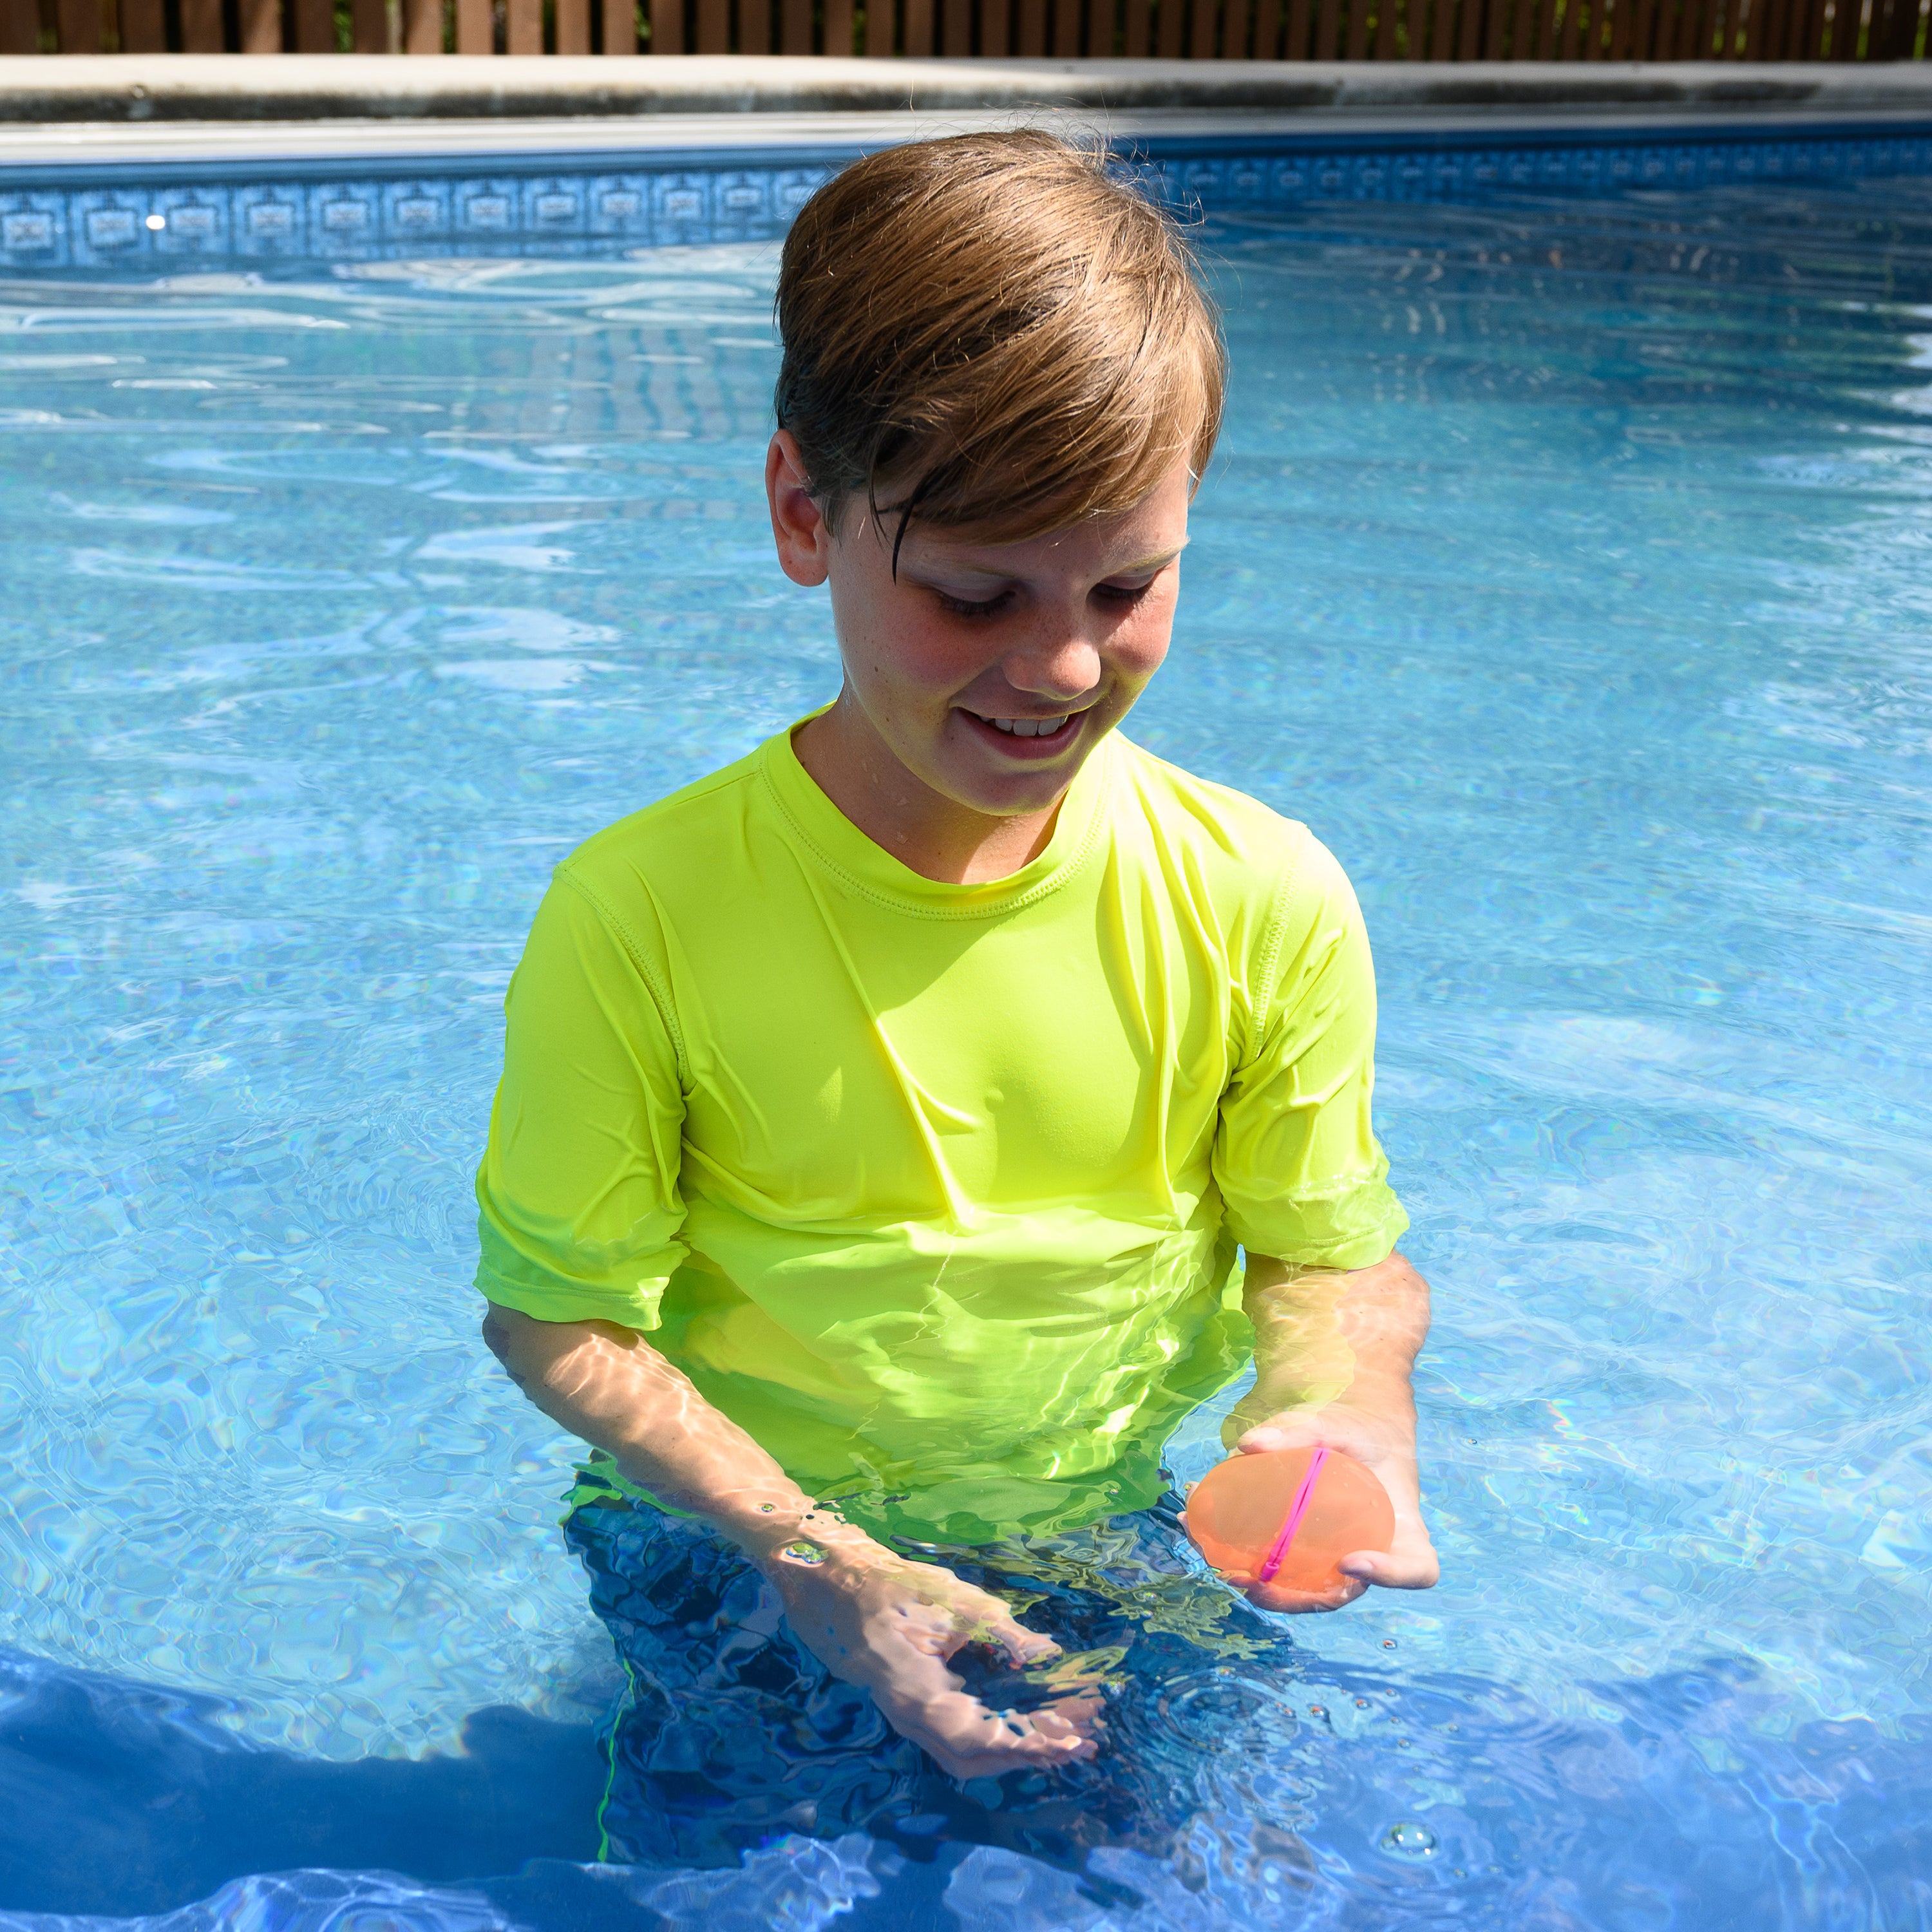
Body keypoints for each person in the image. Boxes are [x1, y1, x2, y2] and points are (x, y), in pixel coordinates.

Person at [475, 129, 1437, 1872]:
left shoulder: (1262, 896)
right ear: (799, 514)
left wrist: (1334, 1405)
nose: (1064, 666)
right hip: (729, 1545)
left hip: (1097, 1524)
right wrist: (820, 1560)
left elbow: (1329, 1256)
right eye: (975, 593)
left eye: (1125, 586)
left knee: (1214, 1874)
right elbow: (559, 1323)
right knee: (731, 1882)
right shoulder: (641, 914)